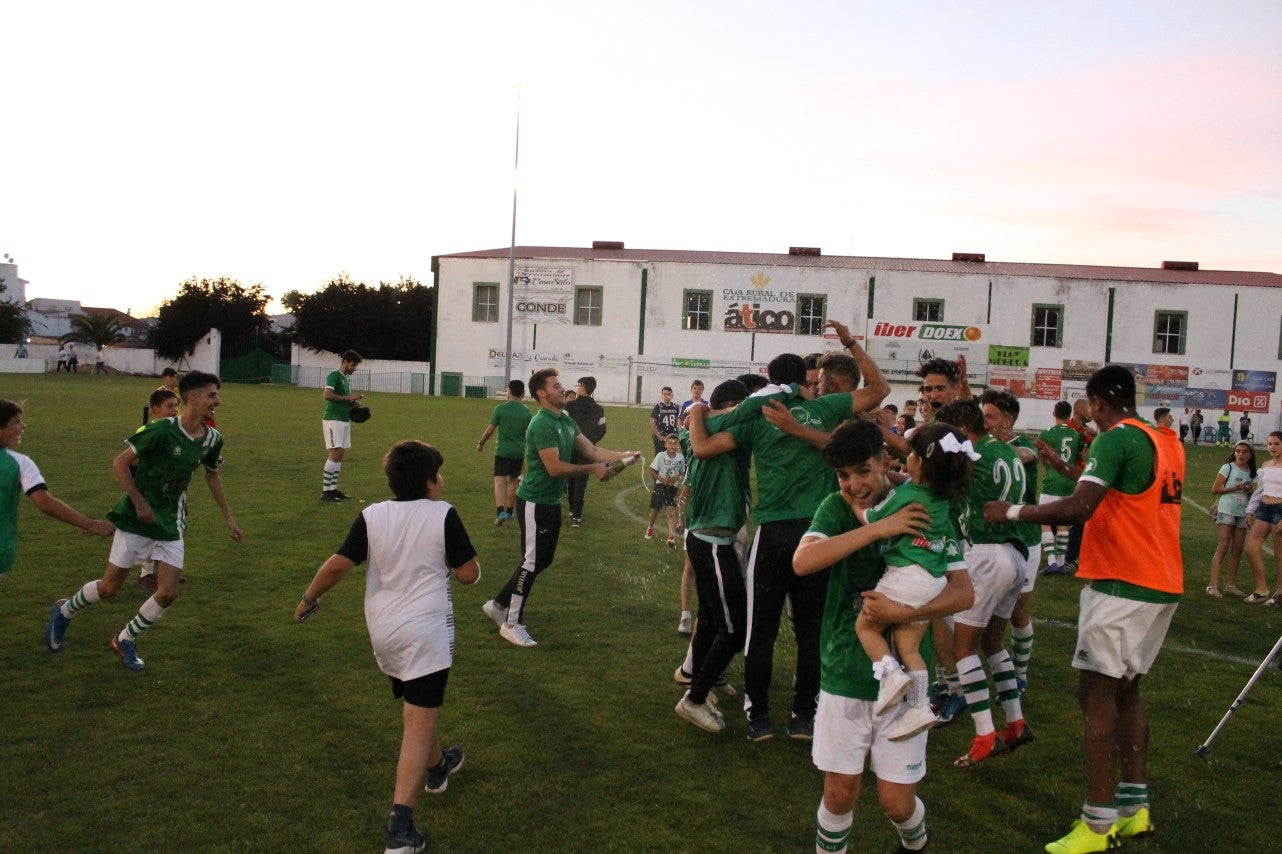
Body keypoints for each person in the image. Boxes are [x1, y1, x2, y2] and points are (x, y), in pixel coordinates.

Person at [982, 363, 1184, 854]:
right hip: (1161, 581)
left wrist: (1009, 511)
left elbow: (1078, 509)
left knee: (1094, 695)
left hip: (1121, 581)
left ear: (1096, 403)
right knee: (1127, 691)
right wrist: (1071, 470)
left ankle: (1096, 825)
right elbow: (1121, 493)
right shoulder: (1166, 441)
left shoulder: (1115, 438)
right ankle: (1135, 810)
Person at [688, 338, 889, 742]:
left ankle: (758, 715)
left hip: (774, 534)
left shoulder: (759, 414)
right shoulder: (827, 408)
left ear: (769, 378)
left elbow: (703, 446)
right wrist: (851, 343)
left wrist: (696, 410)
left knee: (760, 629)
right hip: (818, 535)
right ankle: (803, 716)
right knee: (812, 630)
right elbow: (879, 389)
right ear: (809, 381)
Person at [793, 418, 974, 854]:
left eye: (863, 471)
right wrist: (878, 528)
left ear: (885, 463)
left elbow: (963, 592)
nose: (853, 485)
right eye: (843, 475)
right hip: (845, 671)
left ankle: (916, 843)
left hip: (906, 680)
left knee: (896, 803)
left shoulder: (924, 505)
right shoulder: (836, 508)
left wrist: (907, 610)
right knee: (840, 793)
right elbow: (803, 562)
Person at [294, 440, 479, 854]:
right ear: (432, 483)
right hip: (426, 633)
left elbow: (339, 562)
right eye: (439, 474)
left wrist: (308, 599)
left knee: (418, 705)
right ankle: (400, 831)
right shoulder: (443, 513)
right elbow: (468, 575)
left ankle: (437, 768)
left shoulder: (372, 514)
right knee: (416, 724)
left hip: (384, 632)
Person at [44, 371, 243, 670]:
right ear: (192, 398)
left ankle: (125, 638)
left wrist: (229, 518)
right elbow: (120, 463)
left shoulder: (213, 439)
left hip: (170, 522)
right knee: (110, 588)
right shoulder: (161, 430)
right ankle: (65, 610)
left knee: (168, 592)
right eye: (212, 395)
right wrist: (139, 502)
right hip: (136, 520)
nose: (219, 401)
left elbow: (212, 475)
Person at [481, 368, 639, 647]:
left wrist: (624, 455)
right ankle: (511, 622)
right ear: (542, 393)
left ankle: (498, 604)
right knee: (531, 562)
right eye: (555, 386)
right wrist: (593, 470)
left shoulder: (565, 419)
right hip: (533, 501)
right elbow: (554, 468)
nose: (561, 388)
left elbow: (591, 450)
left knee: (542, 560)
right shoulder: (540, 424)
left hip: (551, 501)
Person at [853, 422, 969, 741]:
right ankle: (919, 707)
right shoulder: (943, 499)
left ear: (917, 461)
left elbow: (876, 520)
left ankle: (890, 677)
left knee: (866, 626)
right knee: (909, 647)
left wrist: (857, 507)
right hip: (932, 582)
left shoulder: (908, 495)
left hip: (906, 576)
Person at [934, 399, 1033, 768]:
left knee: (963, 649)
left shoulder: (972, 454)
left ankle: (984, 734)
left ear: (962, 430)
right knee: (992, 642)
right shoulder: (1003, 450)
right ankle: (1015, 720)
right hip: (1014, 553)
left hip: (987, 555)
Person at [672, 379, 751, 733]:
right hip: (713, 540)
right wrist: (703, 409)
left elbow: (692, 421)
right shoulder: (717, 433)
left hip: (705, 537)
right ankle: (694, 700)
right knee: (735, 629)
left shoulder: (698, 430)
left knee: (711, 614)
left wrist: (699, 410)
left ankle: (696, 675)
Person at [0, 400, 114, 580]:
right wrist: (90, 524)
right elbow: (44, 503)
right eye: (16, 422)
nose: (23, 426)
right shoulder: (18, 463)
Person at [981, 389, 1043, 692]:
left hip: (1025, 540)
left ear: (1009, 420)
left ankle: (1020, 673)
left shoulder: (1024, 446)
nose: (985, 422)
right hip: (992, 540)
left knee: (1018, 610)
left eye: (990, 416)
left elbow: (1026, 455)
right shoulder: (985, 445)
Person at [135, 387, 182, 591]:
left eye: (176, 406)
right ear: (155, 409)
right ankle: (146, 573)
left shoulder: (177, 431)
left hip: (171, 491)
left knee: (171, 530)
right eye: (169, 406)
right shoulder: (146, 432)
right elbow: (133, 461)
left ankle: (165, 571)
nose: (174, 410)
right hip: (151, 490)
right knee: (152, 533)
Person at [476, 379, 532, 526]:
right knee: (513, 480)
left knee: (500, 481)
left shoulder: (500, 409)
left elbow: (490, 430)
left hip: (503, 451)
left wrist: (481, 443)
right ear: (523, 393)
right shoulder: (526, 411)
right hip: (519, 452)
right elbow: (530, 433)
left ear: (510, 391)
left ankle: (500, 511)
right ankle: (509, 511)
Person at [1036, 401, 1083, 575]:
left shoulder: (1046, 434)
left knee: (1045, 522)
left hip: (1052, 481)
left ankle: (1051, 562)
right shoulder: (1075, 434)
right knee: (1062, 523)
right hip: (1069, 481)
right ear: (1069, 415)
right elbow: (1079, 455)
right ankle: (1062, 563)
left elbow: (1041, 456)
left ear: (1054, 413)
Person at [1208, 441, 1256, 598]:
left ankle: (1230, 585)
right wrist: (1234, 488)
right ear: (1234, 453)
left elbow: (1254, 494)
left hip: (1242, 512)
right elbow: (1215, 489)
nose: (1241, 454)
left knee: (1237, 549)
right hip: (1227, 510)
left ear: (1250, 454)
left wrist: (1249, 490)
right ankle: (1213, 585)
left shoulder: (1252, 472)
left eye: (1244, 452)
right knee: (1223, 546)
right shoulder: (1228, 467)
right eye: (1238, 451)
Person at [1243, 432, 1282, 604]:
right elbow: (1259, 490)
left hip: (1280, 510)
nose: (1272, 447)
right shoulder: (1266, 465)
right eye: (1269, 443)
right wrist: (1250, 510)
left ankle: (1280, 594)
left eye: (1276, 444)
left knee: (1280, 555)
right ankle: (1262, 589)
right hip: (1264, 509)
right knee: (1251, 547)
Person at [563, 376, 607, 527]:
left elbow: (562, 426)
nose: (576, 387)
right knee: (582, 481)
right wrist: (591, 442)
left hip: (571, 447)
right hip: (588, 450)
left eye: (578, 385)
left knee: (571, 478)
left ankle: (571, 510)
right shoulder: (598, 408)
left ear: (582, 387)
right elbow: (602, 430)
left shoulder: (569, 406)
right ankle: (577, 515)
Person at [321, 350, 364, 502]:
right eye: (353, 365)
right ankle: (326, 492)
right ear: (345, 361)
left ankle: (333, 489)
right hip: (333, 418)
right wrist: (348, 398)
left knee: (340, 453)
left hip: (344, 419)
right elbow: (327, 394)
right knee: (335, 452)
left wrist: (354, 404)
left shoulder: (345, 379)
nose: (354, 368)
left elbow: (345, 399)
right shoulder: (334, 375)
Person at [645, 434, 685, 546]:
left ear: (678, 446)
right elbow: (651, 470)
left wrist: (675, 479)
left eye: (675, 443)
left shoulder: (680, 458)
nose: (673, 445)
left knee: (670, 512)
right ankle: (650, 527)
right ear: (666, 445)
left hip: (672, 487)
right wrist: (661, 479)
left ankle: (671, 536)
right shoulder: (660, 456)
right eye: (670, 443)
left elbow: (682, 472)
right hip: (660, 486)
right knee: (655, 510)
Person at [649, 386, 680, 455]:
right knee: (660, 456)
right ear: (662, 395)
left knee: (672, 456)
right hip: (661, 436)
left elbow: (679, 421)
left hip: (672, 436)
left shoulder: (675, 407)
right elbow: (652, 421)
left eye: (669, 394)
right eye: (665, 394)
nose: (667, 396)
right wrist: (659, 435)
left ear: (672, 395)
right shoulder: (658, 407)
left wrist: (678, 434)